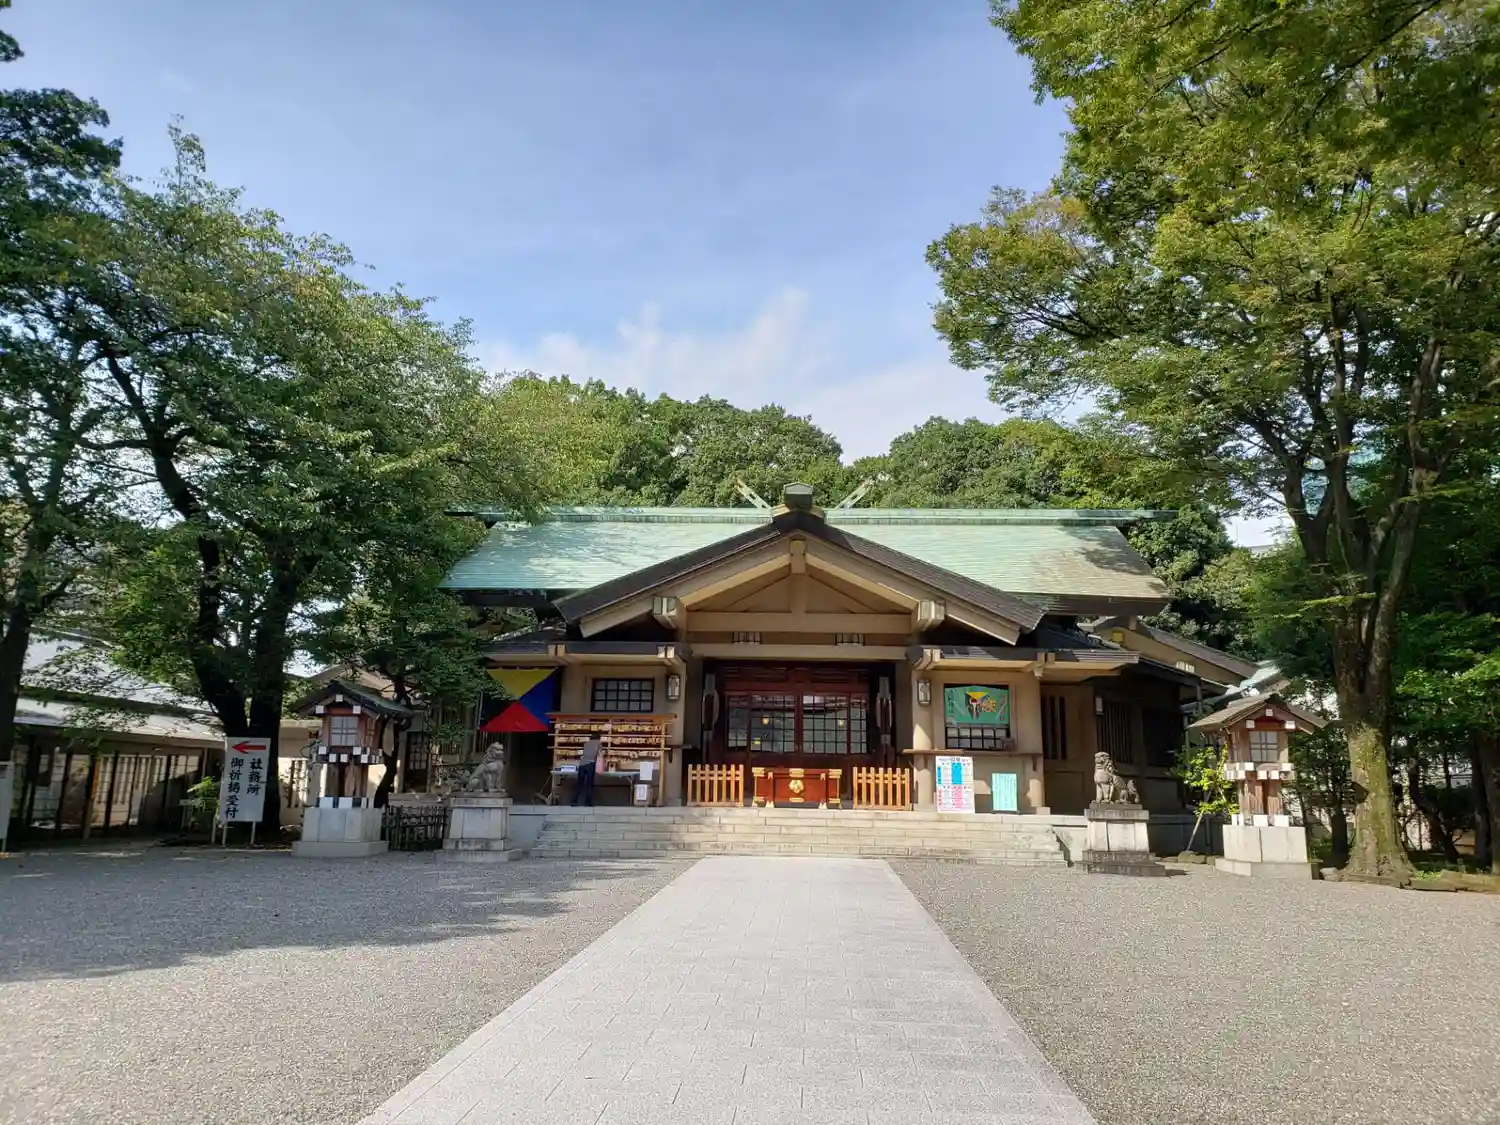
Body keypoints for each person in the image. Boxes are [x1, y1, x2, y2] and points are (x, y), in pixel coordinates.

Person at [572, 730, 602, 807]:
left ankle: (574, 801)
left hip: (582, 764)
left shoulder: (586, 744)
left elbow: (584, 753)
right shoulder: (598, 743)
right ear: (598, 738)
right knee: (589, 784)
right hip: (590, 764)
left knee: (579, 783)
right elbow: (600, 755)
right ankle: (588, 802)